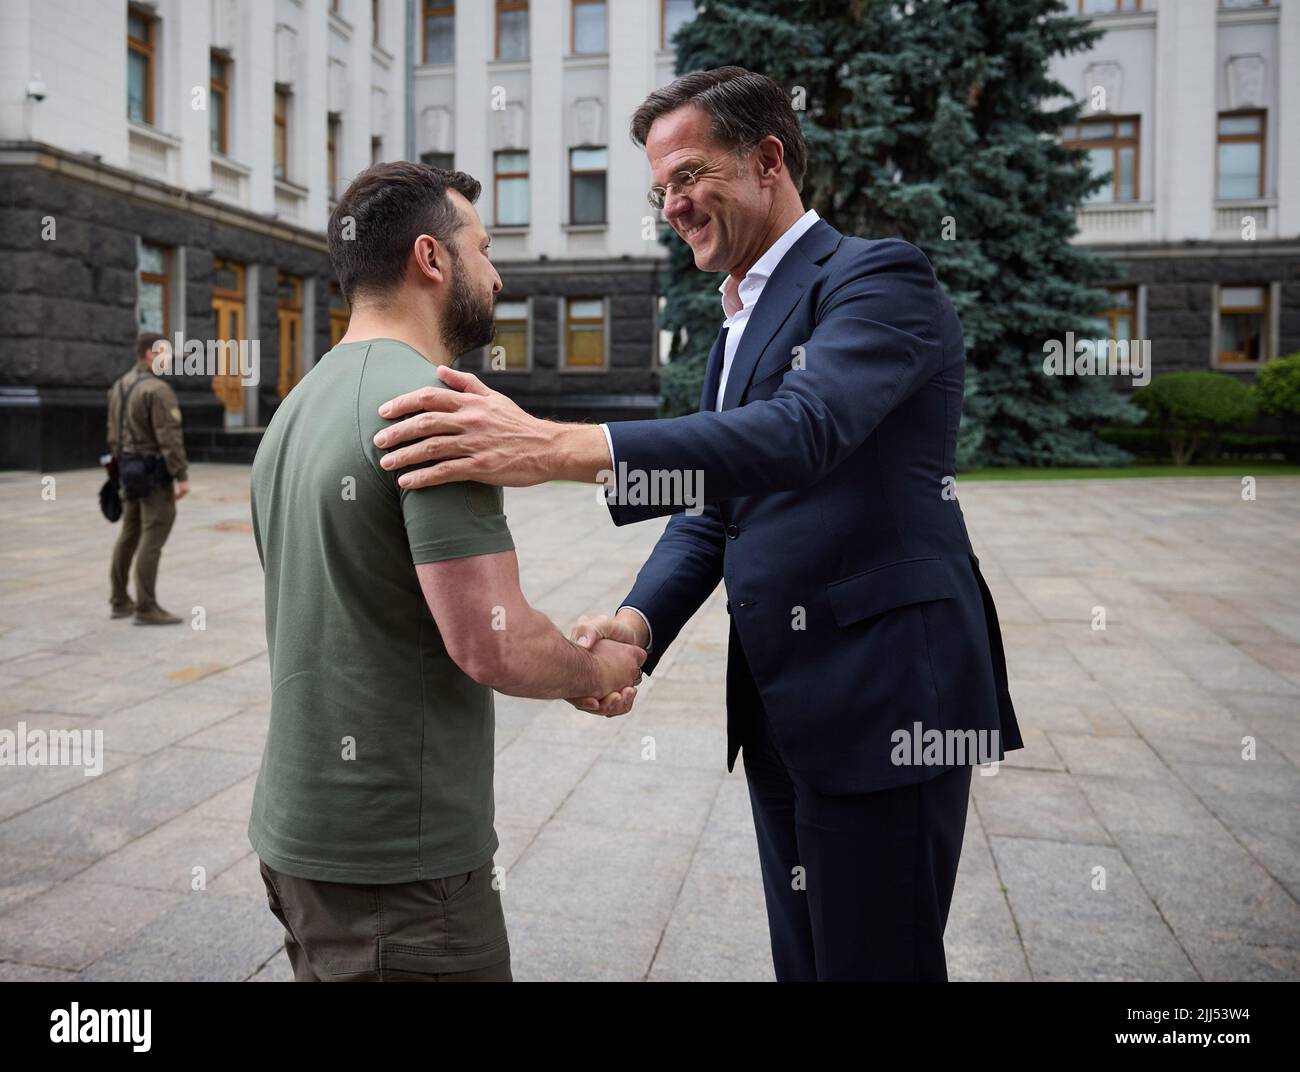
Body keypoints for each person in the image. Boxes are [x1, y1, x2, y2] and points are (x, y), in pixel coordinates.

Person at [368, 68, 1024, 982]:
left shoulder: (876, 277)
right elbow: (713, 510)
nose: (672, 205)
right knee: (810, 964)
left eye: (688, 176)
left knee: (877, 966)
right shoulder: (734, 328)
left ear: (767, 160)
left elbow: (805, 432)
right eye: (660, 189)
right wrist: (637, 625)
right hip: (787, 707)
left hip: (888, 701)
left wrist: (556, 446)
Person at [247, 161, 645, 983]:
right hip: (401, 870)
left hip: (297, 839)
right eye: (484, 248)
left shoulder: (297, 404)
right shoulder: (440, 408)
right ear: (432, 259)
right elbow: (491, 641)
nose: (496, 273)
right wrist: (596, 666)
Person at [106, 331, 190, 626]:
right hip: (154, 475)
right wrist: (180, 475)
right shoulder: (157, 389)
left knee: (129, 533)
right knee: (152, 537)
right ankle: (146, 606)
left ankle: (119, 600)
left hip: (128, 472)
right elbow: (169, 438)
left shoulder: (119, 386)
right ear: (150, 354)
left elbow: (112, 436)